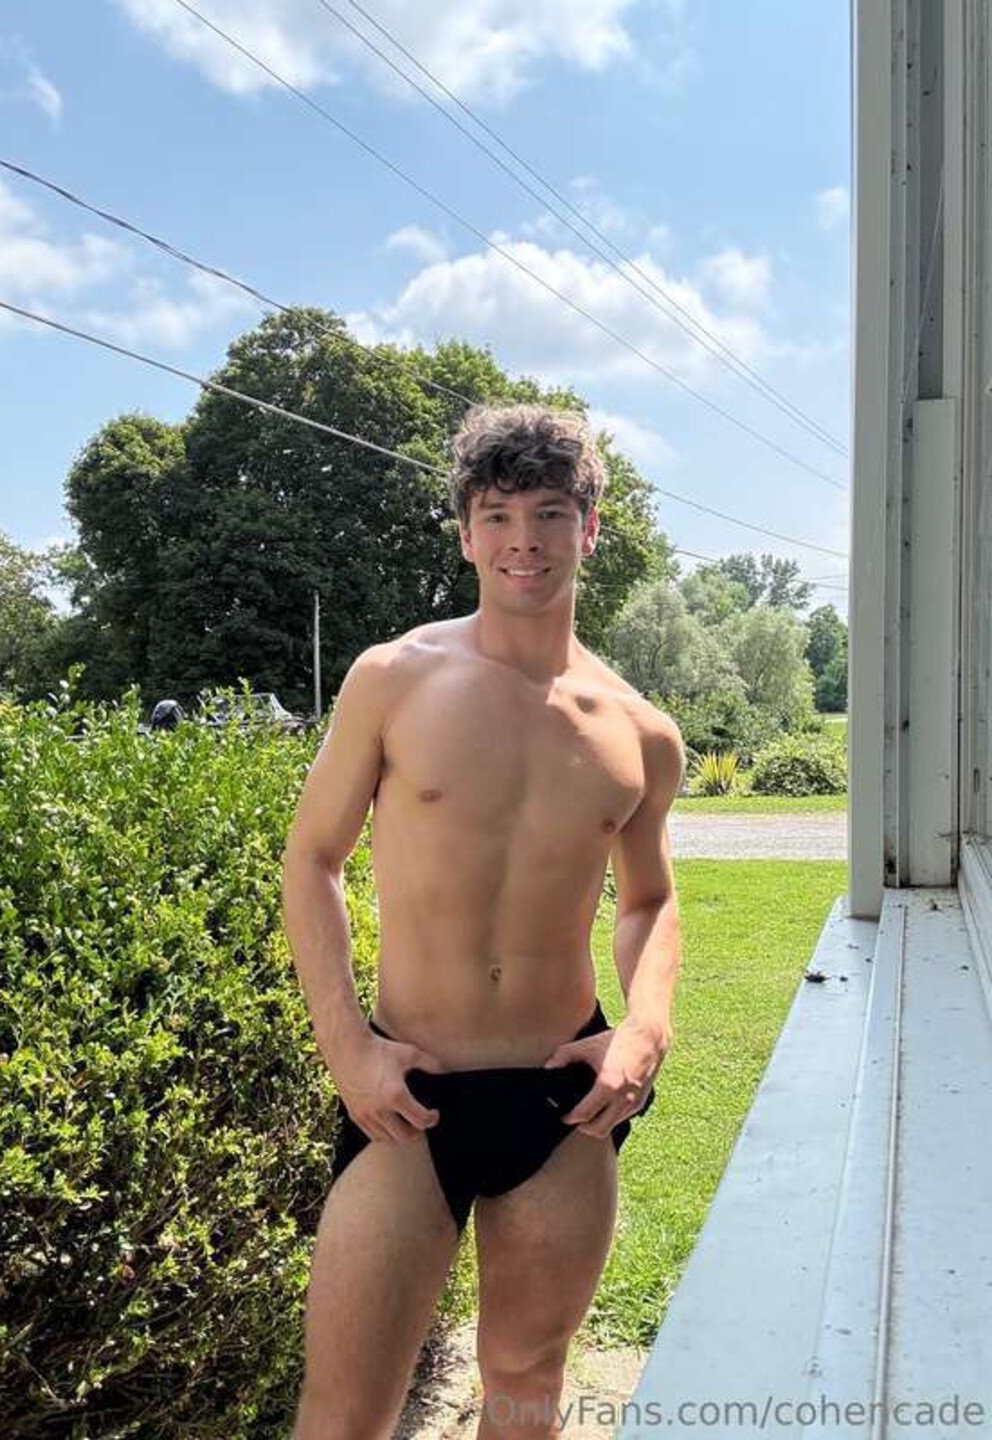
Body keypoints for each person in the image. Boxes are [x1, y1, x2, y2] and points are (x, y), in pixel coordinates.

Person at [283, 403, 685, 1439]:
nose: (524, 540)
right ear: (466, 534)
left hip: (561, 1101)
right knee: (344, 1414)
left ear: (589, 529)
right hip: (407, 1093)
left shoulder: (641, 732)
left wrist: (644, 1027)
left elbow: (649, 900)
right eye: (497, 515)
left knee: (525, 1386)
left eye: (549, 513)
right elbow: (312, 861)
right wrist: (347, 1047)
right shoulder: (392, 679)